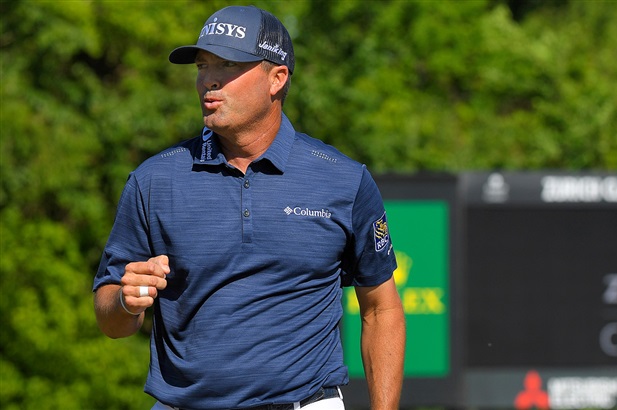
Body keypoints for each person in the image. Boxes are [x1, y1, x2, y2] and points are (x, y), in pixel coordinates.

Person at [93, 5, 405, 410]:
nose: (209, 81)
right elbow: (110, 318)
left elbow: (382, 311)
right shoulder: (153, 180)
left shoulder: (344, 180)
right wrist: (124, 301)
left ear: (277, 78)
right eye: (203, 66)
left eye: (227, 64)